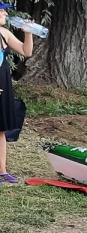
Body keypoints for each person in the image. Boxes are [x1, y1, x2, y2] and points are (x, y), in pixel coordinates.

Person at [0, 4, 34, 184]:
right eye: (1, 10)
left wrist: (28, 33)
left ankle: (2, 171)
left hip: (3, 84)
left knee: (1, 129)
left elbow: (26, 51)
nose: (5, 13)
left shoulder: (4, 33)